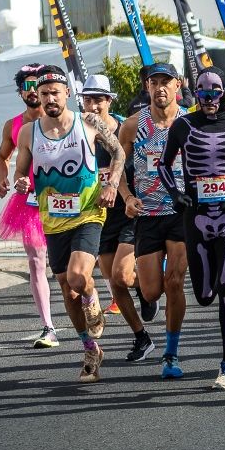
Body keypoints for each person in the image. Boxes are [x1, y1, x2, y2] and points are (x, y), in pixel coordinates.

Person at [13, 67, 123, 383]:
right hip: (53, 219)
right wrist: (21, 182)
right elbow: (22, 171)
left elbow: (118, 152)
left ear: (67, 95)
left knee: (78, 277)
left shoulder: (88, 122)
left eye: (54, 92)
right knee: (66, 287)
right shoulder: (28, 132)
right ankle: (91, 350)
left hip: (89, 212)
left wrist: (112, 184)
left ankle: (93, 299)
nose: (48, 98)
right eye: (43, 93)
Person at [159, 69, 225, 389]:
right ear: (195, 94)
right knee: (203, 294)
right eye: (203, 93)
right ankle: (207, 289)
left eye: (215, 92)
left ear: (224, 92)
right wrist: (177, 195)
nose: (210, 98)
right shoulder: (183, 125)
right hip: (196, 216)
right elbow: (163, 163)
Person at [117, 63, 189, 379]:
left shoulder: (190, 122)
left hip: (181, 213)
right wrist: (127, 197)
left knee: (174, 281)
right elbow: (117, 168)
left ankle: (170, 354)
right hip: (147, 215)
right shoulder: (133, 126)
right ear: (147, 87)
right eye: (154, 82)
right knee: (150, 292)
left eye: (166, 82)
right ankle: (153, 294)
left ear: (177, 86)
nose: (160, 88)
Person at [80, 76, 150, 360]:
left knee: (122, 274)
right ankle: (141, 337)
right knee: (114, 281)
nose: (93, 105)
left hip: (129, 210)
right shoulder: (78, 134)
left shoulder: (125, 129)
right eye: (88, 99)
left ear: (109, 101)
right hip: (98, 215)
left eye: (99, 99)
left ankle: (147, 290)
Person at [0, 64, 57, 348]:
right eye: (27, 87)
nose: (33, 91)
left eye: (37, 86)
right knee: (36, 262)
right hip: (29, 200)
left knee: (66, 262)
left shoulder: (60, 120)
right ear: (21, 92)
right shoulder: (14, 125)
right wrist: (4, 179)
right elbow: (1, 157)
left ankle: (89, 299)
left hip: (62, 197)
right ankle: (48, 326)